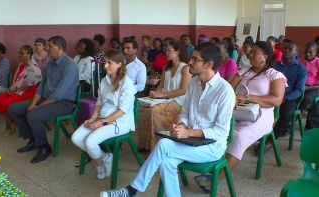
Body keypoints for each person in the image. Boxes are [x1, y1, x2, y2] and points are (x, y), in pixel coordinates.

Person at [99, 42, 235, 197]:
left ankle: (132, 190)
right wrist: (182, 126)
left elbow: (220, 131)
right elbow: (185, 112)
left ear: (208, 65)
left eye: (195, 59)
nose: (190, 62)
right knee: (166, 162)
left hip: (212, 147)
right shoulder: (194, 84)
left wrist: (189, 132)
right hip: (190, 140)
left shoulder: (225, 91)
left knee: (164, 145)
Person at [194, 41, 287, 193]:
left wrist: (247, 97)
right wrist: (233, 99)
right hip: (238, 113)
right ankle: (213, 164)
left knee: (238, 136)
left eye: (254, 52)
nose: (249, 54)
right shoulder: (243, 72)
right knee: (216, 129)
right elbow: (227, 91)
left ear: (265, 55)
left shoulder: (275, 75)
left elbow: (276, 100)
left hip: (261, 117)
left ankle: (217, 178)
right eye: (249, 51)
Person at [8, 36, 79, 164]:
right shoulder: (51, 63)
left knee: (33, 114)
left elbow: (58, 94)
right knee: (13, 108)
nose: (47, 48)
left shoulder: (70, 65)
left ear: (59, 47)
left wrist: (35, 108)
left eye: (50, 46)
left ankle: (45, 147)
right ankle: (33, 139)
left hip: (63, 103)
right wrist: (34, 103)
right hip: (47, 99)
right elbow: (41, 87)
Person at [71, 49, 136, 180]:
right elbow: (99, 102)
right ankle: (105, 157)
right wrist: (93, 118)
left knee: (90, 142)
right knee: (76, 138)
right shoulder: (105, 80)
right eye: (105, 62)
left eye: (109, 63)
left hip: (121, 122)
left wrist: (102, 122)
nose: (105, 66)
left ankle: (99, 164)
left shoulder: (127, 84)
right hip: (103, 118)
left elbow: (122, 111)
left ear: (119, 64)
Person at [137, 40, 192, 156]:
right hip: (166, 99)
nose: (165, 53)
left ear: (177, 52)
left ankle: (155, 147)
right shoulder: (167, 66)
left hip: (180, 101)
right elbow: (161, 86)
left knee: (154, 111)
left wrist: (162, 95)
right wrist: (154, 95)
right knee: (142, 108)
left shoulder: (185, 68)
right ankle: (144, 144)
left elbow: (183, 90)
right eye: (166, 50)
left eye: (169, 51)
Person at [255, 41, 307, 151]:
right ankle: (259, 133)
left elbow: (299, 90)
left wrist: (285, 98)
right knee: (258, 106)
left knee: (286, 113)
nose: (286, 50)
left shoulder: (301, 69)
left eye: (290, 49)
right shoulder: (275, 65)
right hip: (272, 94)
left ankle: (270, 140)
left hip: (289, 97)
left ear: (296, 52)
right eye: (285, 48)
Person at [0, 45, 41, 135]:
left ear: (29, 54)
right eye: (19, 53)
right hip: (17, 89)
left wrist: (15, 90)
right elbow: (16, 80)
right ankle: (10, 121)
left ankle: (13, 122)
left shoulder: (33, 68)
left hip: (27, 92)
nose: (19, 55)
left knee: (5, 103)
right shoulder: (21, 65)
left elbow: (28, 86)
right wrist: (11, 87)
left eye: (22, 53)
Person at [298, 41, 319, 116]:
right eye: (306, 52)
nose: (307, 54)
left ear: (316, 51)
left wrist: (307, 88)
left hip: (312, 88)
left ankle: (296, 116)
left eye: (310, 52)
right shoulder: (299, 61)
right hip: (299, 85)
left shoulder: (318, 63)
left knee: (306, 98)